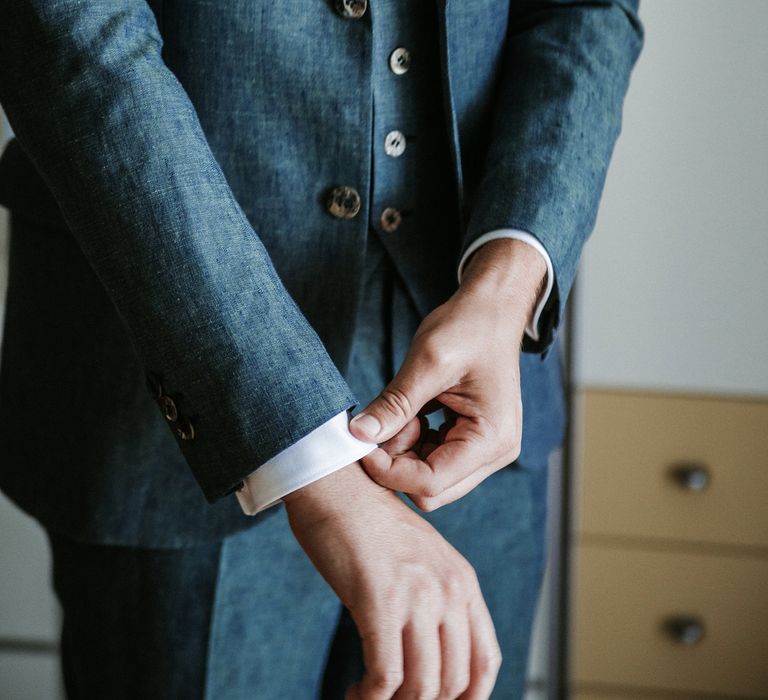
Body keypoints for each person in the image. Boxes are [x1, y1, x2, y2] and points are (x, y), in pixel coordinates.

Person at [0, 0, 643, 698]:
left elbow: (588, 10)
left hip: (479, 410)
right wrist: (305, 455)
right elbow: (74, 38)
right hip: (168, 404)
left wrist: (508, 280)